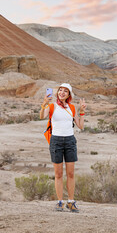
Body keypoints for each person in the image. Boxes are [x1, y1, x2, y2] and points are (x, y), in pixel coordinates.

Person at [39, 83, 86, 213]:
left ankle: (70, 202)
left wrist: (81, 111)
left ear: (69, 94)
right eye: (60, 90)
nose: (62, 92)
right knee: (58, 174)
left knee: (70, 174)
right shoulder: (52, 106)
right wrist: (44, 103)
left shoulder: (72, 107)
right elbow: (42, 116)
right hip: (56, 141)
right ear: (57, 93)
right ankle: (60, 202)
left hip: (70, 141)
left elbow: (80, 126)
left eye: (65, 91)